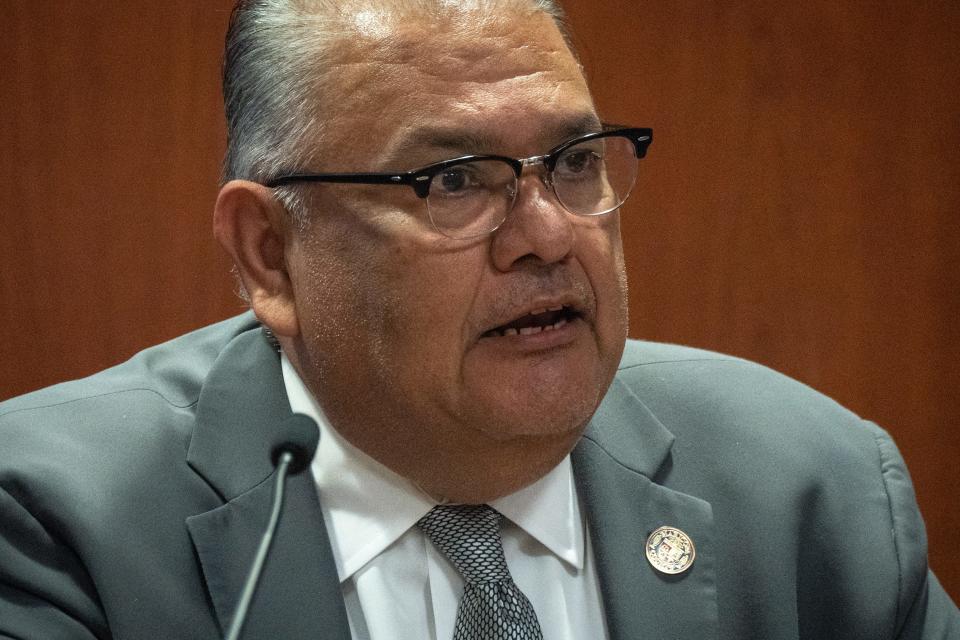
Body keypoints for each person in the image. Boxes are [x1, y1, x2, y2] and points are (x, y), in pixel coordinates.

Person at [0, 0, 957, 638]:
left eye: (576, 160)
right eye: (452, 181)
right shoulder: (55, 525)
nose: (547, 234)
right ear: (270, 253)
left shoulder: (815, 496)